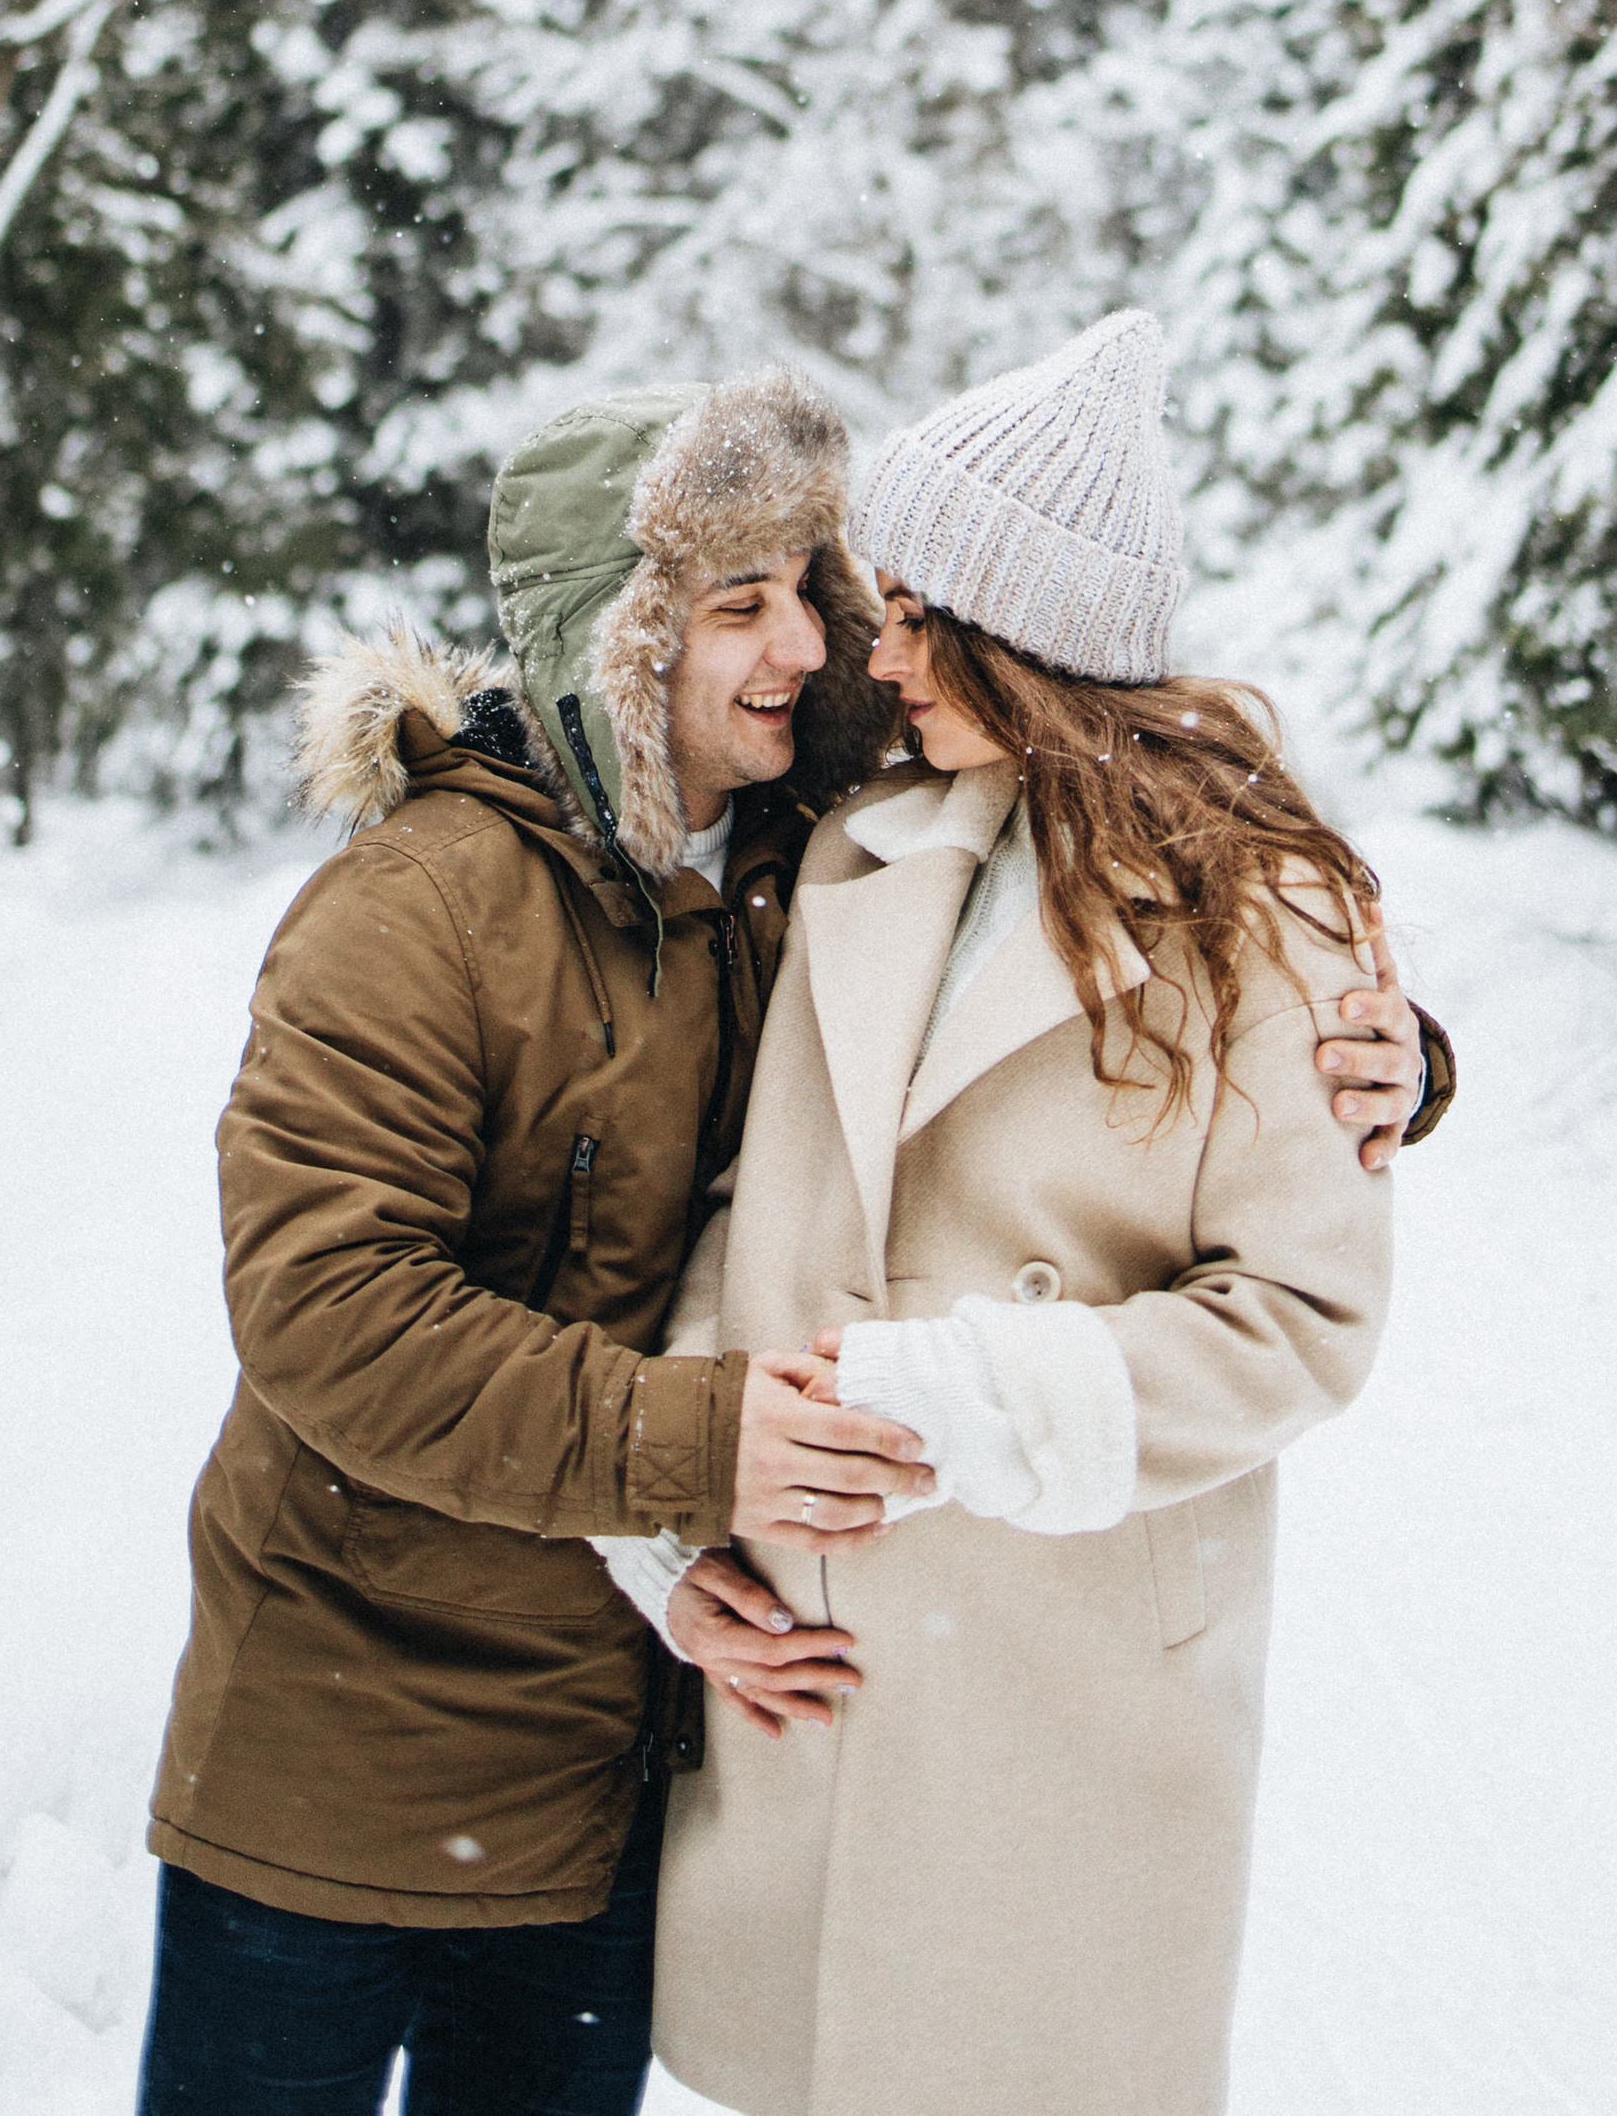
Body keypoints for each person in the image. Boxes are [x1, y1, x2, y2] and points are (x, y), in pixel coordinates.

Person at [135, 358, 1445, 2116]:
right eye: (743, 606)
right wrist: (701, 1473)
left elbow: (1213, 1134)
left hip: (666, 1724)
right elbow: (335, 1316)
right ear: (624, 642)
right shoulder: (457, 905)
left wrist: (1388, 1058)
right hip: (367, 1708)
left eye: (829, 600)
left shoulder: (792, 855)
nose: (832, 651)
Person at [646, 313, 1408, 2116]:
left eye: (918, 614)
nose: (877, 651)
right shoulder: (863, 847)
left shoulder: (1264, 917)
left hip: (1072, 1671)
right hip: (815, 1639)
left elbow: (1307, 1318)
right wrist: (685, 1519)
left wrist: (981, 1398)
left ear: (1028, 635)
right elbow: (746, 1206)